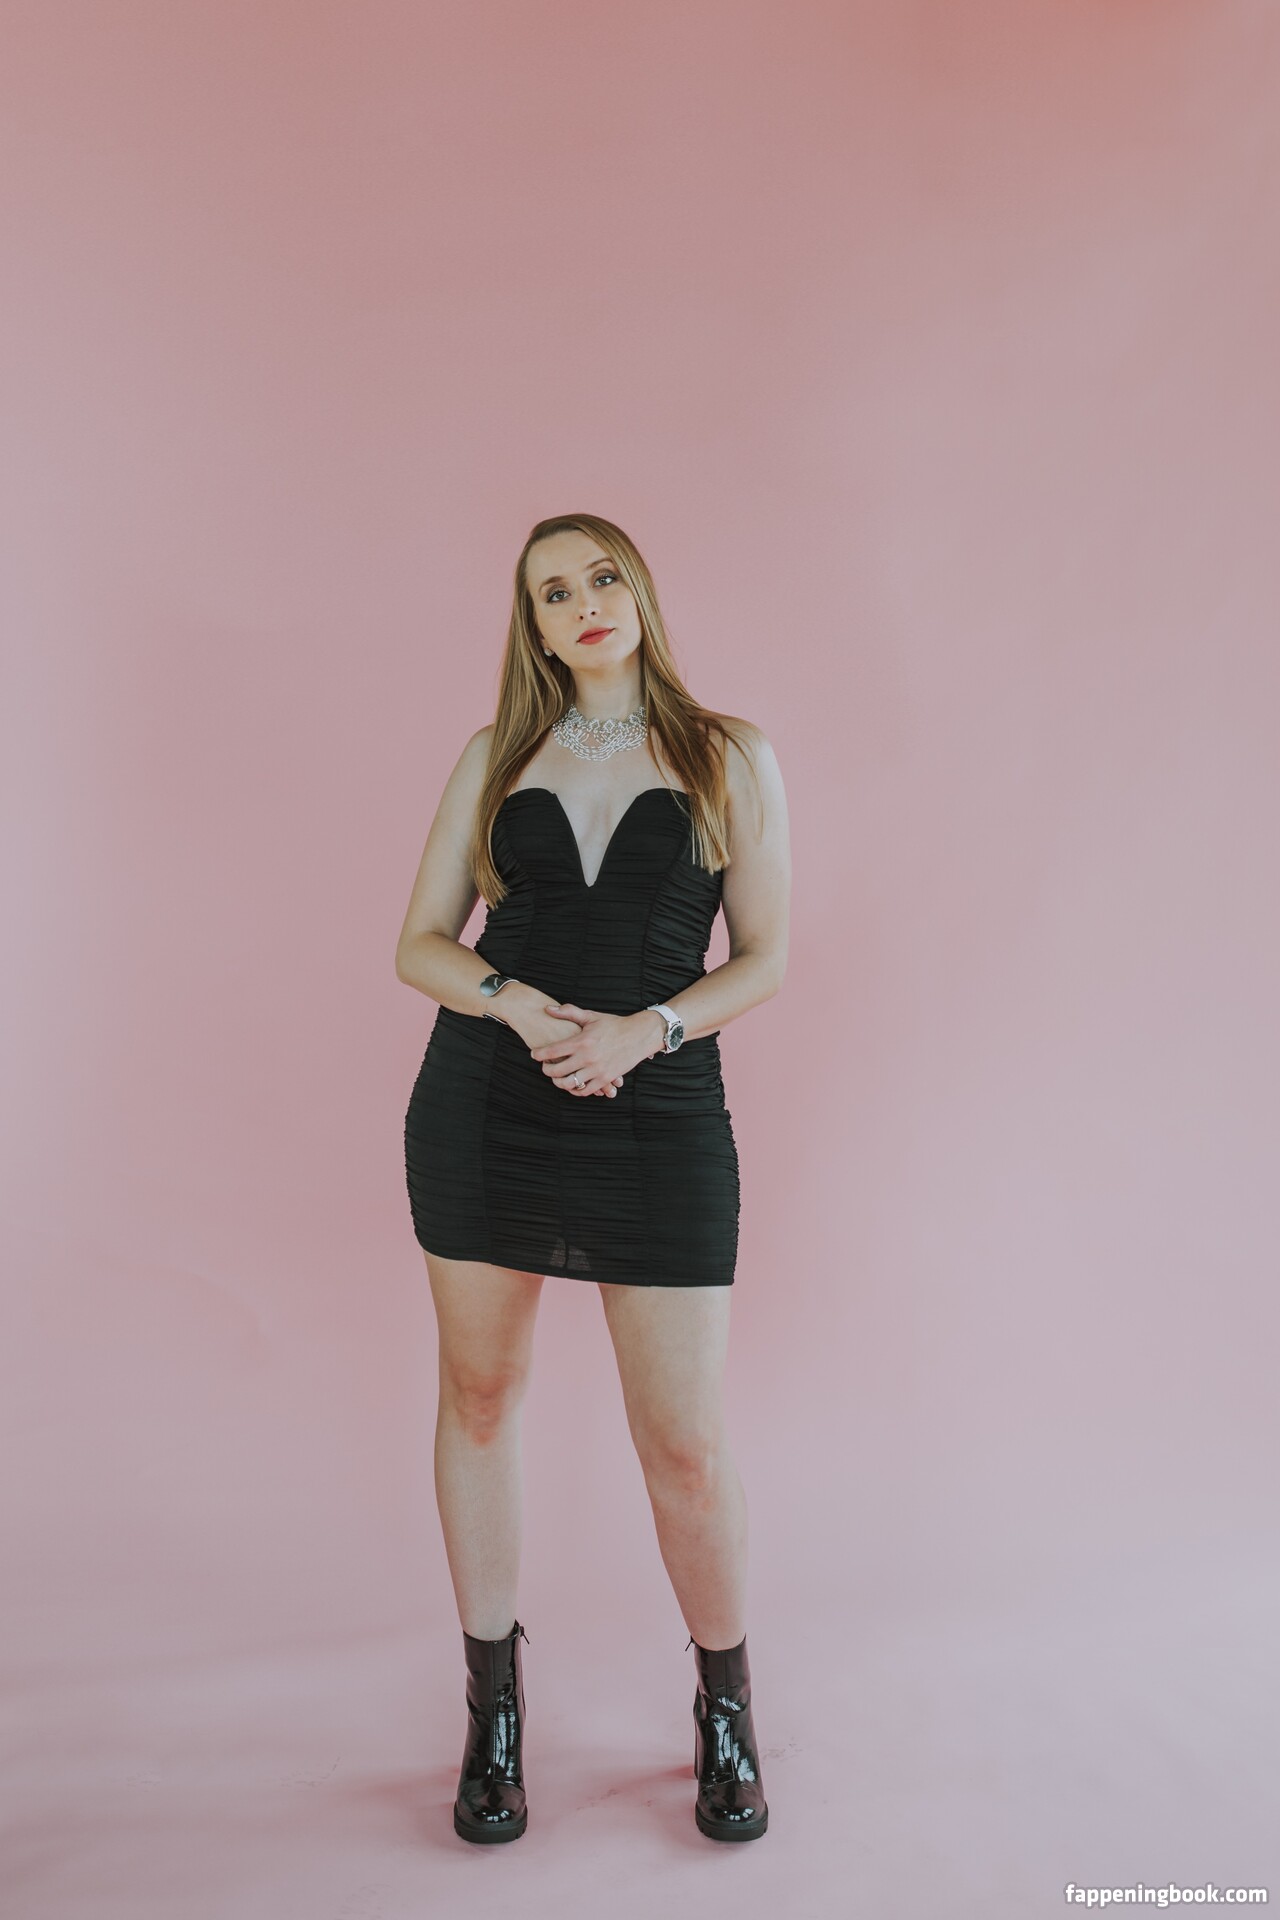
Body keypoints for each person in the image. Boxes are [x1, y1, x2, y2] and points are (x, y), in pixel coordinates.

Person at [395, 512, 790, 1844]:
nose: (584, 604)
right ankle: (493, 1715)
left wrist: (645, 1031)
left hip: (660, 1113)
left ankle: (726, 1709)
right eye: (553, 592)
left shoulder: (729, 752)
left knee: (685, 1446)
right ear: (536, 625)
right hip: (486, 1107)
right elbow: (421, 943)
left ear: (641, 590)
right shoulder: (495, 754)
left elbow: (765, 957)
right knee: (479, 1398)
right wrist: (511, 1003)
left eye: (602, 576)